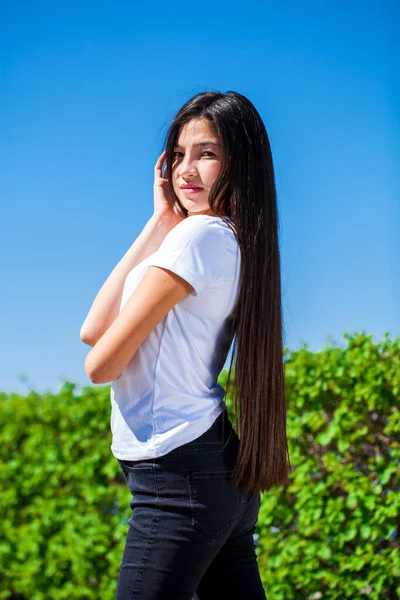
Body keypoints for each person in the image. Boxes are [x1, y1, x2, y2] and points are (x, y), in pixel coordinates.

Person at [80, 90, 291, 599]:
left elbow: (99, 363)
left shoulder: (200, 238)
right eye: (177, 154)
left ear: (240, 163)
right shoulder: (224, 237)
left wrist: (174, 228)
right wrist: (159, 221)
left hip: (177, 476)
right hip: (211, 468)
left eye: (207, 153)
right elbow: (94, 327)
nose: (185, 169)